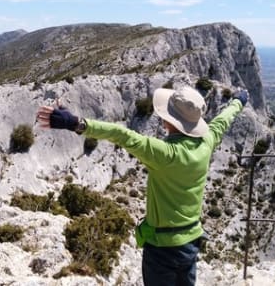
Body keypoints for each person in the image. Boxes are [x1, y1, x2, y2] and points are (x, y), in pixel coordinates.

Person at [37, 84, 249, 286]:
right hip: (191, 243)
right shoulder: (207, 142)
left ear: (169, 121)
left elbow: (122, 135)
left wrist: (77, 123)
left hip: (162, 249)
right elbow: (223, 120)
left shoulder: (165, 153)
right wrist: (238, 101)